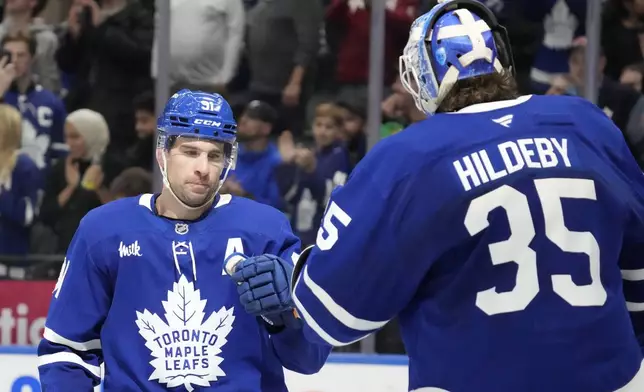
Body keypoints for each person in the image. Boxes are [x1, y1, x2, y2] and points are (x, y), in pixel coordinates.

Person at [227, 0, 644, 391]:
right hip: (613, 376)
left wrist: (292, 291)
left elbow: (330, 317)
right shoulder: (585, 122)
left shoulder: (409, 156)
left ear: (425, 75)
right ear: (500, 60)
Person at [37, 89, 330, 391]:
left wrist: (286, 318)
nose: (203, 168)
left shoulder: (266, 230)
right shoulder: (103, 231)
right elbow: (65, 351)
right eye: (190, 152)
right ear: (162, 153)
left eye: (214, 155)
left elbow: (310, 360)